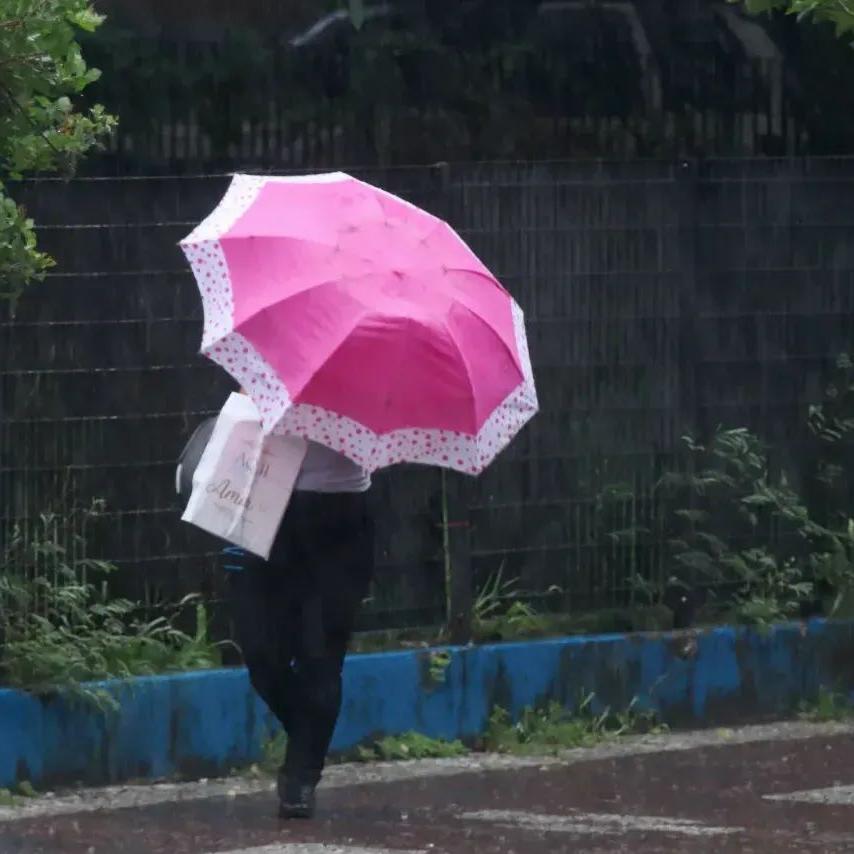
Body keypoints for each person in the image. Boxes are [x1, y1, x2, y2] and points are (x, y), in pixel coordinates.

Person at [221, 403, 374, 820]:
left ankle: (301, 774)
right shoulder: (281, 351)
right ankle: (309, 739)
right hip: (267, 501)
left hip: (340, 514)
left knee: (322, 658)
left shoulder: (377, 372)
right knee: (261, 654)